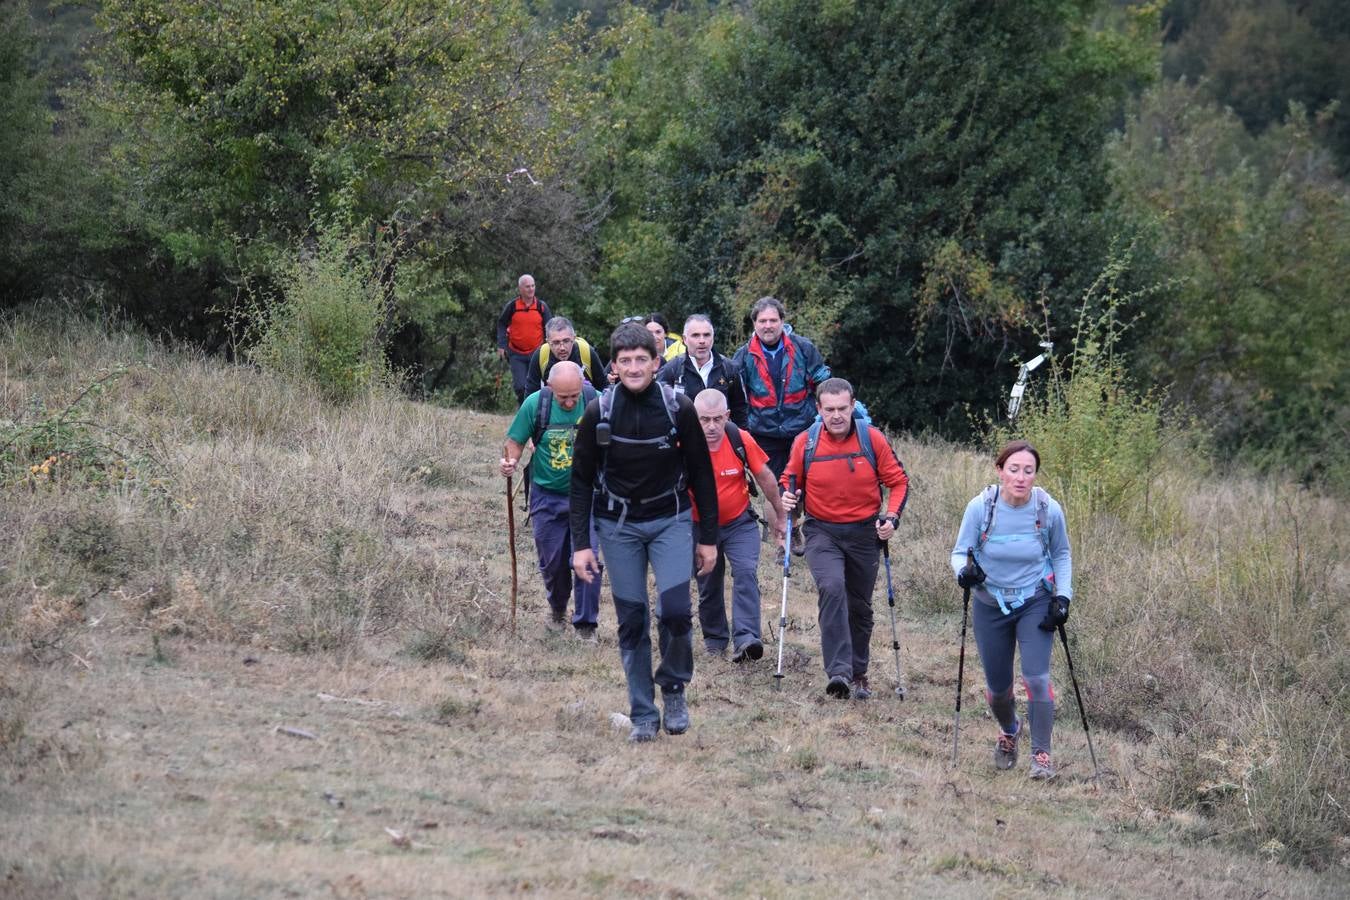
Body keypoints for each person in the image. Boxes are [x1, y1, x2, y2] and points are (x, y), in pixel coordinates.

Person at [570, 322, 720, 743]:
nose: (634, 367)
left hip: (671, 520)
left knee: (674, 612)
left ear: (657, 363)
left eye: (642, 359)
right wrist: (581, 546)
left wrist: (707, 537)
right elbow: (580, 481)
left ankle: (673, 687)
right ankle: (643, 714)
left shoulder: (680, 408)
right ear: (613, 367)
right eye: (625, 361)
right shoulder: (598, 411)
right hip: (617, 527)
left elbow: (701, 476)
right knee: (632, 620)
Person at [949, 440, 1073, 780]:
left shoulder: (1047, 509)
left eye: (1028, 471)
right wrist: (964, 572)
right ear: (1000, 471)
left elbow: (1061, 554)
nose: (1020, 477)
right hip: (990, 604)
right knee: (998, 688)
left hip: (1034, 601)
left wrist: (1063, 597)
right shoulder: (982, 507)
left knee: (1036, 678)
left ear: (1035, 474)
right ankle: (1009, 729)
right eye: (1014, 469)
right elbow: (960, 552)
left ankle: (1041, 757)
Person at [780, 378, 909, 701]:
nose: (836, 416)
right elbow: (789, 479)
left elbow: (899, 482)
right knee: (832, 587)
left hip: (865, 532)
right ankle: (838, 672)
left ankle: (858, 672)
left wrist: (891, 519)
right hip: (822, 531)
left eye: (842, 409)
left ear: (853, 406)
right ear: (818, 409)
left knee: (859, 606)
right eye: (829, 410)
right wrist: (787, 496)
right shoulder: (805, 442)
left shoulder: (872, 439)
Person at [499, 362, 601, 641]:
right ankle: (557, 608)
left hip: (588, 497)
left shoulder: (597, 402)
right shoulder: (536, 404)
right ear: (549, 388)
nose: (569, 403)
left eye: (574, 396)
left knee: (588, 558)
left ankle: (586, 625)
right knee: (553, 564)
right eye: (562, 397)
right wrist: (510, 461)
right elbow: (515, 441)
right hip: (547, 496)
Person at [691, 389, 785, 660]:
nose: (711, 426)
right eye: (704, 420)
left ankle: (746, 639)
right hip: (698, 526)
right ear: (693, 418)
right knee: (707, 581)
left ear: (728, 416)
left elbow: (766, 477)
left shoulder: (739, 439)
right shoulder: (683, 443)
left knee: (745, 572)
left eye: (717, 419)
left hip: (738, 523)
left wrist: (779, 516)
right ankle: (715, 639)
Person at [730, 296, 831, 478]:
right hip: (764, 435)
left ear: (782, 322)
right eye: (762, 321)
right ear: (754, 323)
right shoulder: (743, 356)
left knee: (804, 485)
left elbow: (823, 383)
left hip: (803, 430)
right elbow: (734, 396)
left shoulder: (803, 347)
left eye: (773, 320)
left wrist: (827, 416)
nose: (768, 325)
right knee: (776, 492)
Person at [656, 314, 748, 428]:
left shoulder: (729, 368)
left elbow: (740, 409)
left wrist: (741, 439)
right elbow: (658, 411)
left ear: (713, 338)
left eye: (706, 335)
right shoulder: (671, 370)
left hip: (720, 439)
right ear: (685, 339)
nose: (702, 341)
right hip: (685, 441)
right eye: (695, 335)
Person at [495, 274, 553, 403]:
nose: (531, 289)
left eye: (533, 286)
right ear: (520, 289)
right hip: (516, 353)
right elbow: (501, 324)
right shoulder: (512, 306)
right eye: (527, 287)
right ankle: (523, 410)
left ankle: (535, 412)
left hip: (537, 353)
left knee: (536, 386)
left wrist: (550, 346)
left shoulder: (541, 306)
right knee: (521, 386)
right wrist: (501, 345)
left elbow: (551, 327)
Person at [523, 316, 607, 395]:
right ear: (548, 342)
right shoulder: (541, 355)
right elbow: (531, 391)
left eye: (566, 341)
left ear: (574, 338)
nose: (562, 348)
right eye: (556, 343)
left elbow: (603, 385)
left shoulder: (586, 352)